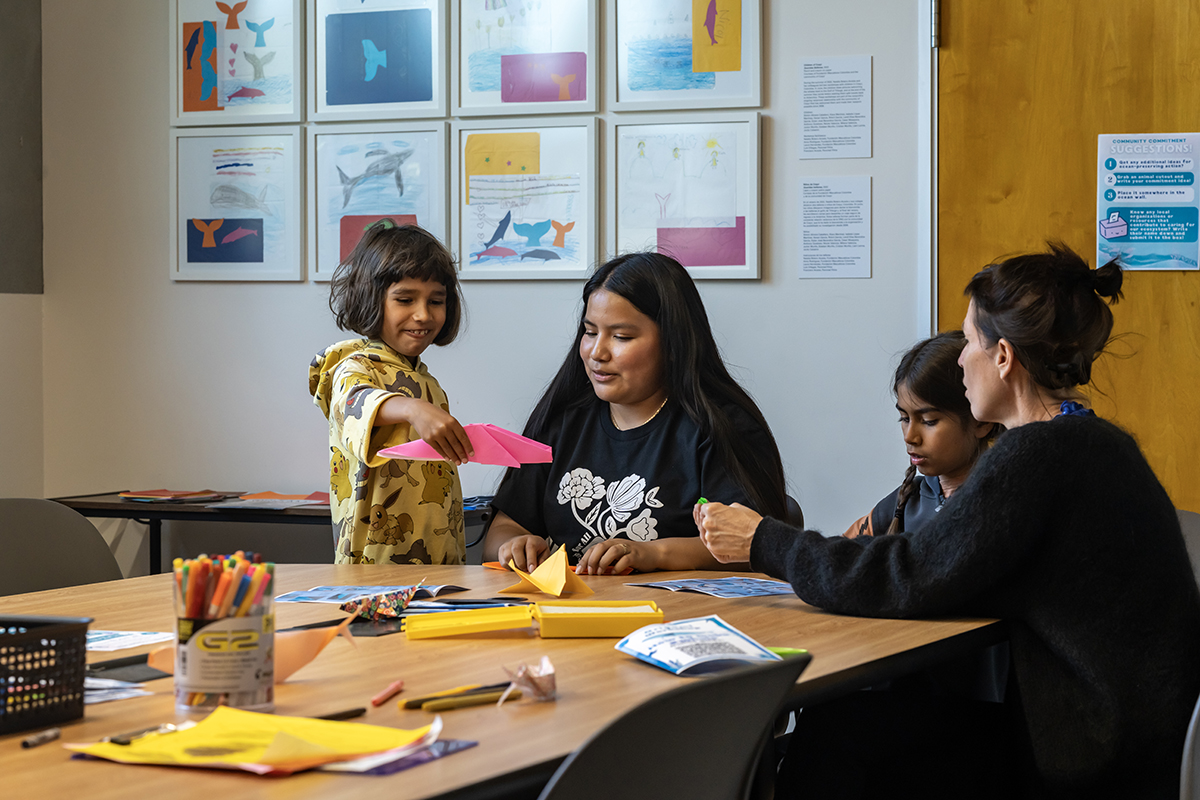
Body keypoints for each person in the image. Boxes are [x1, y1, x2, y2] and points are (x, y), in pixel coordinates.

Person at [699, 242, 1200, 798]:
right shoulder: (1097, 442)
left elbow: (908, 574)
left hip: (1091, 756)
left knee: (842, 727)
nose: (960, 358)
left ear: (1003, 357)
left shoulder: (1037, 456)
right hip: (1146, 740)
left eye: (969, 341)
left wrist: (764, 539)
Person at [484, 251, 791, 576]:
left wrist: (651, 553)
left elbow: (751, 544)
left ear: (673, 344)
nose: (597, 353)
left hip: (681, 617)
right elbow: (503, 528)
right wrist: (515, 544)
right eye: (590, 332)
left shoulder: (721, 427)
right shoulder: (563, 420)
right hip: (574, 611)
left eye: (621, 337)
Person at [309, 221, 474, 566]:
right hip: (375, 561)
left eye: (436, 300)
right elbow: (353, 401)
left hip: (439, 558)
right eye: (405, 299)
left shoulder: (427, 383)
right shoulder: (353, 366)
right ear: (372, 298)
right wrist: (412, 409)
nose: (423, 314)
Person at [843, 331, 996, 539]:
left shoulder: (999, 503)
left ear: (981, 421)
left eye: (928, 421)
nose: (910, 437)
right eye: (904, 419)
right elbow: (840, 557)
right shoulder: (905, 501)